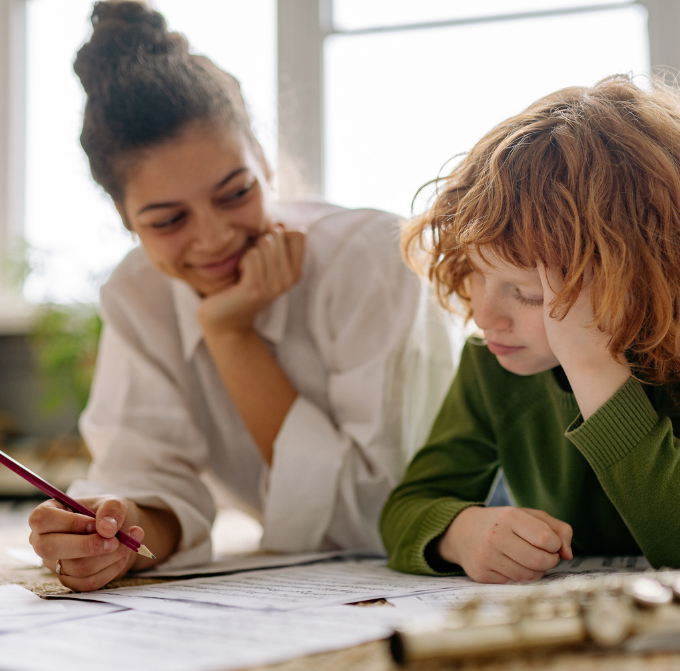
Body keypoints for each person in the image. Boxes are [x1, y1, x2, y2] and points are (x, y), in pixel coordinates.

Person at [29, 1, 455, 591]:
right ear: (126, 220)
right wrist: (119, 533)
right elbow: (149, 475)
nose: (214, 237)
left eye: (234, 193)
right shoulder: (136, 291)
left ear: (264, 162)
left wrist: (230, 335)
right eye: (168, 219)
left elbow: (380, 515)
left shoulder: (371, 260)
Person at [381, 74, 680, 583]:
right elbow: (407, 507)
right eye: (478, 274)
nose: (484, 316)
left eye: (527, 293)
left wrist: (592, 363)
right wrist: (460, 532)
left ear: (637, 282)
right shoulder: (493, 362)